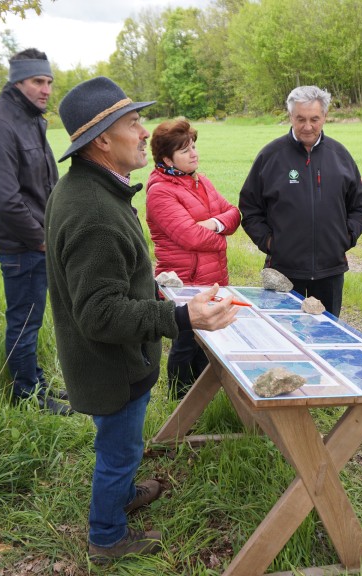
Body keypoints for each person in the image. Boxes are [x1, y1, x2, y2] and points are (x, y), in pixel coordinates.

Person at [45, 77, 237, 564]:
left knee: (122, 448)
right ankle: (107, 538)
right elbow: (99, 313)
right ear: (102, 139)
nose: (144, 132)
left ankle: (124, 494)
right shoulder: (94, 212)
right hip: (112, 366)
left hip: (115, 360)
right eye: (134, 124)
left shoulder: (89, 190)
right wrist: (179, 314)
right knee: (119, 452)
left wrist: (155, 285)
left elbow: (108, 284)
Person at [0, 48, 70, 415]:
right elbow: (3, 197)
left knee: (31, 317)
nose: (46, 89)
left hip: (35, 240)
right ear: (18, 81)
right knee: (25, 321)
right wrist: (41, 238)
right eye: (37, 81)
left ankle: (36, 384)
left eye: (48, 81)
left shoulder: (29, 118)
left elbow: (45, 181)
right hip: (22, 244)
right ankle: (27, 396)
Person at [238, 86, 362, 317]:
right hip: (284, 271)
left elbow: (360, 205)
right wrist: (270, 243)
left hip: (330, 270)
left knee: (326, 335)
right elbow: (250, 207)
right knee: (284, 339)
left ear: (325, 117)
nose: (307, 126)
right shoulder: (270, 156)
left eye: (314, 119)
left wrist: (346, 237)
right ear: (290, 116)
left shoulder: (340, 156)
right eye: (300, 119)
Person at [145, 118, 241, 399]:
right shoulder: (160, 192)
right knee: (186, 344)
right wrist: (221, 237)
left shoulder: (200, 181)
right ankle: (179, 403)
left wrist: (212, 224)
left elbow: (234, 214)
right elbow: (190, 237)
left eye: (194, 146)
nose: (194, 153)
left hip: (212, 280)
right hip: (184, 284)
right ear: (167, 158)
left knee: (208, 343)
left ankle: (201, 399)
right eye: (185, 150)